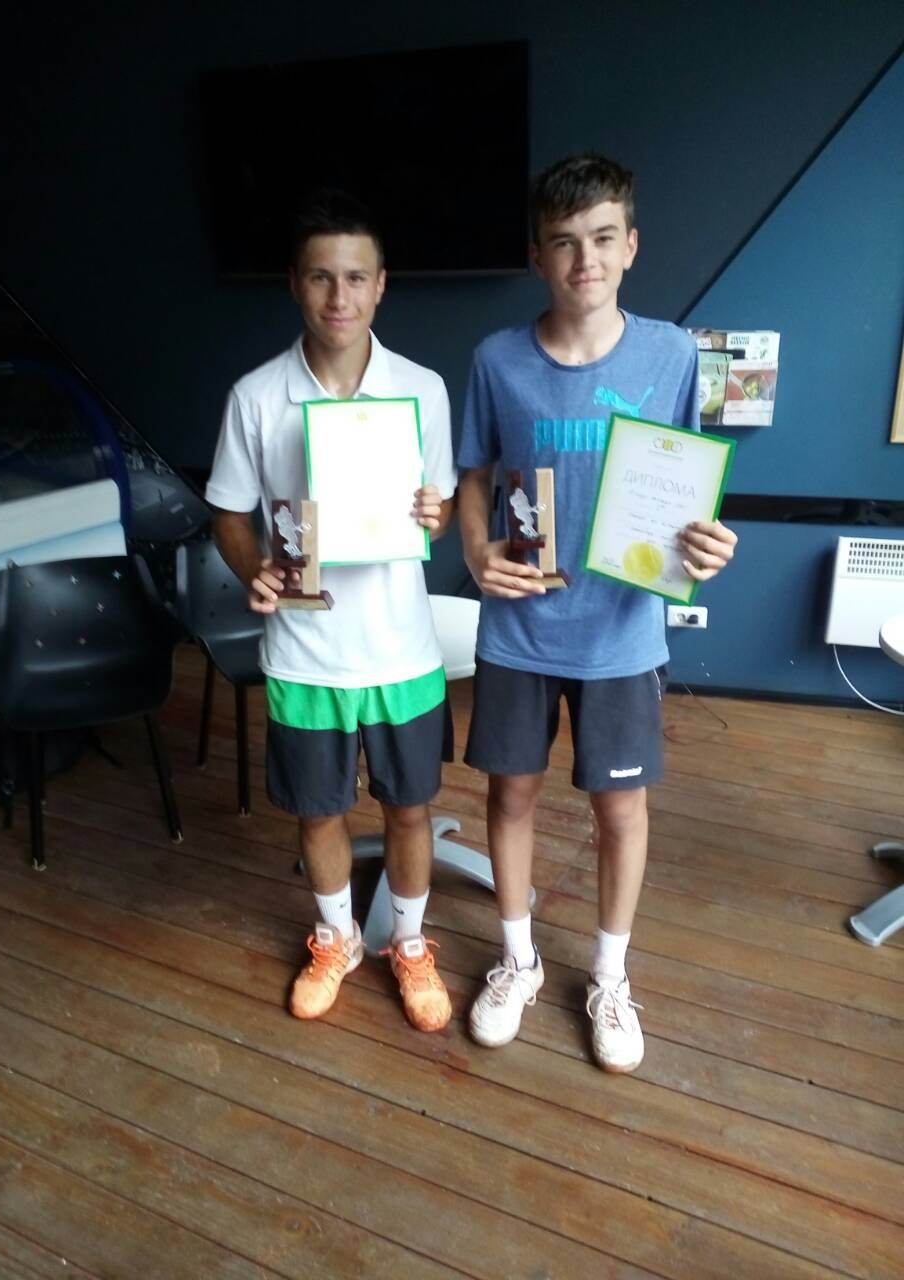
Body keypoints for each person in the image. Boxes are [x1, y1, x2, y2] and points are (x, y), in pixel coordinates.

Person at [457, 154, 737, 1071]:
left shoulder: (672, 354)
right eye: (565, 242)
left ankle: (610, 977)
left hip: (622, 632)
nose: (586, 260)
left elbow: (687, 486)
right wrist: (475, 551)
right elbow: (473, 478)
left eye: (603, 239)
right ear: (537, 256)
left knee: (621, 806)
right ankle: (518, 960)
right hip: (520, 626)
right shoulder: (497, 360)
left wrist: (708, 544)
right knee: (512, 793)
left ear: (632, 247)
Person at [205, 191, 457, 1032]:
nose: (338, 297)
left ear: (381, 285)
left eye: (355, 278)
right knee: (319, 809)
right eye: (321, 277)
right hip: (305, 650)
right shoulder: (256, 396)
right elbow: (229, 512)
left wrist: (435, 515)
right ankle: (337, 938)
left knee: (409, 807)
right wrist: (256, 571)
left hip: (401, 649)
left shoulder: (422, 390)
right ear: (295, 284)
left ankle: (409, 946)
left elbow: (440, 509)